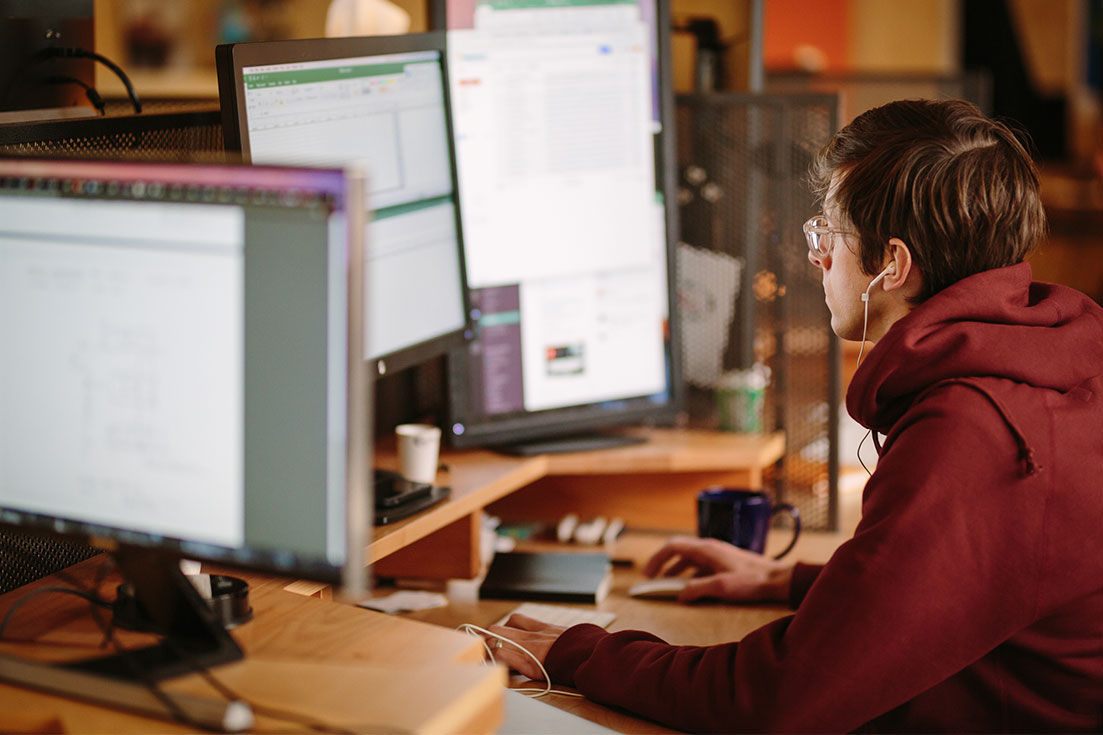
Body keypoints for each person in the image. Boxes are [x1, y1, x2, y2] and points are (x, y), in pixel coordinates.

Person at [486, 99, 1103, 732]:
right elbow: (979, 575)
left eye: (827, 234)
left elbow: (781, 699)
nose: (817, 256)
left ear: (891, 265)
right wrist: (797, 581)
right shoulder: (1049, 365)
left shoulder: (971, 427)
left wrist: (580, 653)